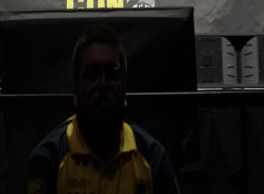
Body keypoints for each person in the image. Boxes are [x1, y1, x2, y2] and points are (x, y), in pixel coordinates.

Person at [26, 23, 180, 193]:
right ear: (76, 88)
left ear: (124, 85)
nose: (103, 84)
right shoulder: (49, 159)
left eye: (112, 73)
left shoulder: (154, 158)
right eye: (92, 74)